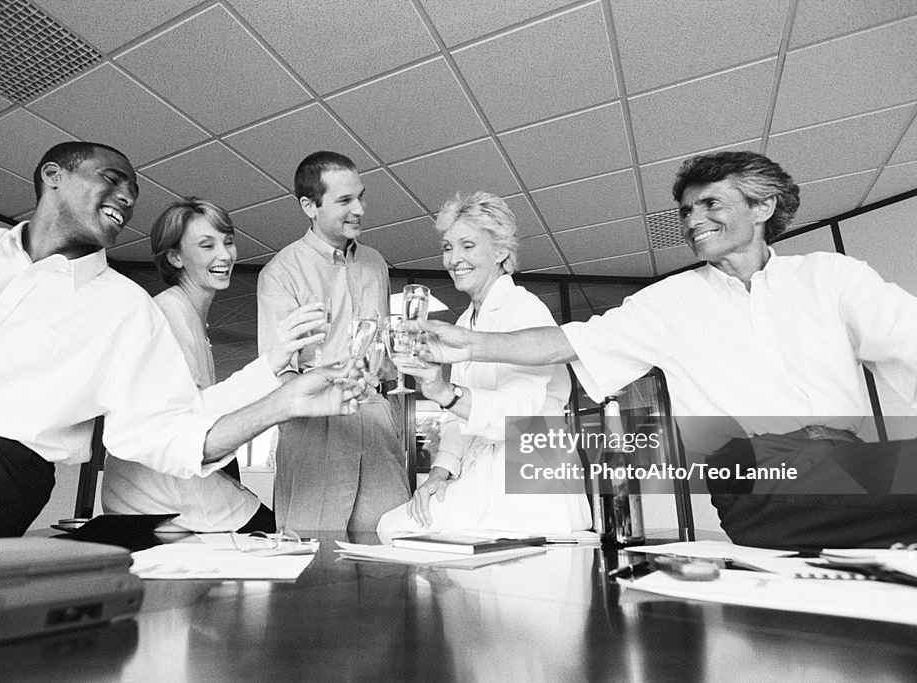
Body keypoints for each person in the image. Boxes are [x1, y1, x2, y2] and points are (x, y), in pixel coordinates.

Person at [418, 151, 917, 550]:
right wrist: (466, 343)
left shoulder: (829, 276)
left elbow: (905, 337)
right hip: (755, 474)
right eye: (686, 210)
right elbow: (564, 344)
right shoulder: (669, 301)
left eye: (711, 205)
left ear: (762, 208)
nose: (692, 220)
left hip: (846, 463)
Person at [0, 141, 363, 542]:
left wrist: (281, 397)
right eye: (113, 180)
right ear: (53, 176)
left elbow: (167, 428)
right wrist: (271, 379)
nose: (126, 199)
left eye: (133, 193)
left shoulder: (129, 309)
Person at [102, 198, 329, 533]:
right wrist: (273, 364)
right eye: (206, 245)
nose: (224, 255)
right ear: (175, 256)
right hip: (157, 499)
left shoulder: (189, 317)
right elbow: (184, 422)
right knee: (278, 537)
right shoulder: (166, 314)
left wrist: (276, 364)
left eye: (228, 242)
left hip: (171, 494)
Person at [377, 192, 590, 539]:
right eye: (447, 247)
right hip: (481, 475)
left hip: (530, 476)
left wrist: (445, 392)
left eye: (468, 246)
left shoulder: (524, 308)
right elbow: (457, 420)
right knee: (393, 527)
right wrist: (439, 473)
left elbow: (518, 415)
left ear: (502, 251)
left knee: (515, 587)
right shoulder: (466, 320)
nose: (454, 259)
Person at [257, 151, 410, 531]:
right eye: (344, 200)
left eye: (360, 196)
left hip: (374, 415)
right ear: (309, 206)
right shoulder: (281, 272)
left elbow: (385, 355)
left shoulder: (375, 262)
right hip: (314, 420)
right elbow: (279, 372)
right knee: (312, 551)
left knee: (392, 536)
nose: (359, 208)